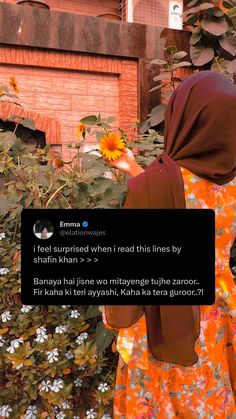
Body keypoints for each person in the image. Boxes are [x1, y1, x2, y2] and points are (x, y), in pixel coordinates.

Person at [102, 71, 236, 417]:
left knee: (162, 396)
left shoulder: (155, 186)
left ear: (182, 116)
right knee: (207, 390)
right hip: (217, 310)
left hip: (161, 318)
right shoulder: (233, 186)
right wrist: (139, 173)